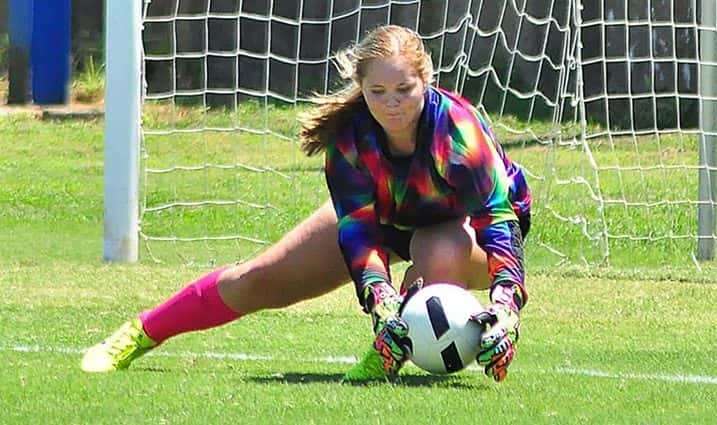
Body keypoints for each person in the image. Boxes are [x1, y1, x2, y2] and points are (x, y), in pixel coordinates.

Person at [81, 24, 531, 383]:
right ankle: (139, 334)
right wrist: (381, 301)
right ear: (361, 88)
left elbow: (497, 218)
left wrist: (506, 306)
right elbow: (358, 232)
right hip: (386, 217)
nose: (392, 104)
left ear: (426, 80)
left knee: (439, 253)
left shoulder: (456, 131)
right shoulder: (351, 138)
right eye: (378, 92)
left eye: (404, 89)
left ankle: (385, 358)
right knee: (255, 280)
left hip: (459, 229)